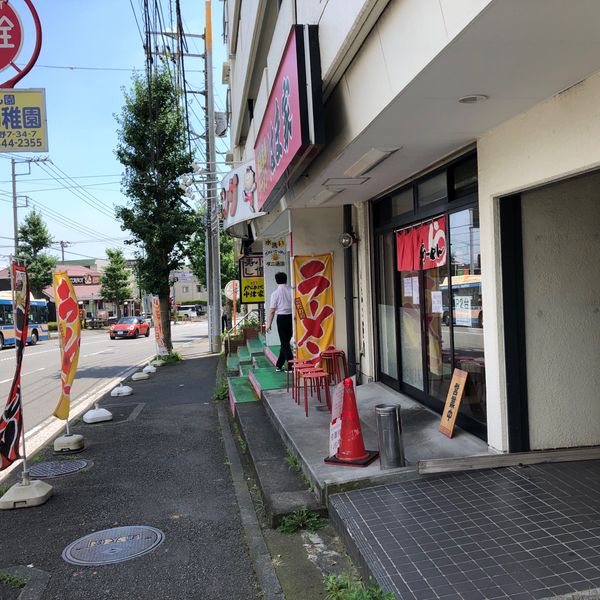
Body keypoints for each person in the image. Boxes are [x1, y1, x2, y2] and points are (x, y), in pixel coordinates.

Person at [266, 272, 293, 372]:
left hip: (281, 318)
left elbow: (272, 310)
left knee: (284, 342)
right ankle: (279, 365)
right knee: (285, 341)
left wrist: (268, 324)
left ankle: (291, 365)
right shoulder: (292, 291)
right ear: (286, 279)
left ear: (276, 281)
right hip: (292, 317)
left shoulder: (275, 294)